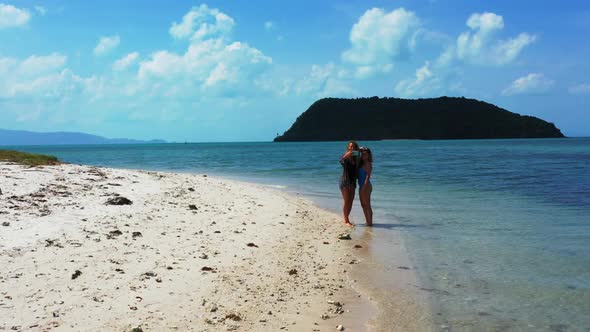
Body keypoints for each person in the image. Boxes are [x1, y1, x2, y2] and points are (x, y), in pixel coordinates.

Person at [339, 141, 360, 227]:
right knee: (346, 201)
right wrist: (346, 155)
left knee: (350, 202)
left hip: (352, 182)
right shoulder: (346, 158)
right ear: (348, 148)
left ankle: (347, 218)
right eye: (350, 147)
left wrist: (359, 152)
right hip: (345, 181)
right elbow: (341, 160)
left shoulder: (357, 158)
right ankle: (346, 220)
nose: (352, 148)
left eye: (354, 147)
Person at [358, 147, 373, 226]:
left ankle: (370, 223)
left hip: (366, 186)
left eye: (365, 154)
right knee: (363, 205)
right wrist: (359, 150)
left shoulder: (367, 163)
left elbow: (368, 176)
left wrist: (364, 187)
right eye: (362, 154)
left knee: (367, 205)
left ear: (368, 155)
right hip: (362, 186)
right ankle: (368, 221)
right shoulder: (361, 163)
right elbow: (355, 152)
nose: (364, 156)